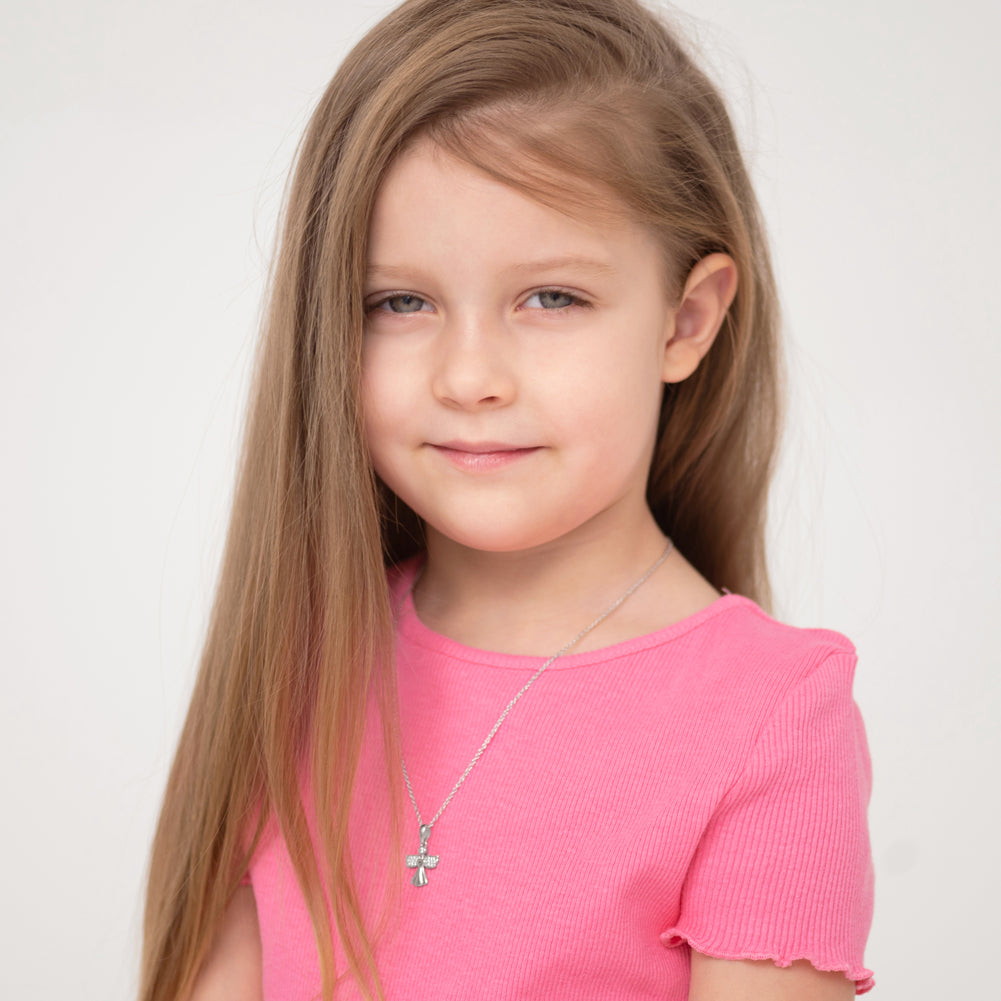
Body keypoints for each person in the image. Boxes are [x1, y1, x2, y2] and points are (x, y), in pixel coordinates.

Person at [140, 0, 875, 998]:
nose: (468, 376)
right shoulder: (292, 658)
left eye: (551, 297)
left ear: (684, 320)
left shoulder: (771, 716)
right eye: (400, 301)